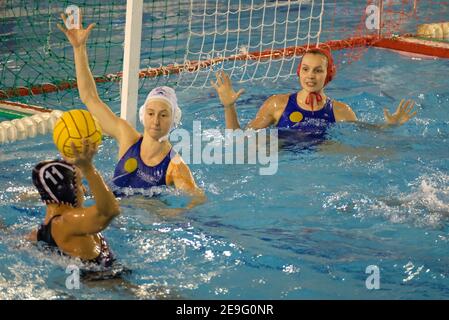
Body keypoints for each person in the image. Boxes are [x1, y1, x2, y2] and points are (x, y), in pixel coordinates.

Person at [57, 12, 205, 209]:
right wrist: (78, 48)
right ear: (143, 115)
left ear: (174, 119)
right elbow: (89, 98)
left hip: (135, 218)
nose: (156, 121)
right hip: (106, 202)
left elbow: (198, 200)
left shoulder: (175, 167)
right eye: (151, 113)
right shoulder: (127, 137)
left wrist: (166, 215)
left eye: (163, 115)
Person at [211, 47, 417, 132]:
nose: (310, 76)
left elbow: (367, 133)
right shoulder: (277, 104)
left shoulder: (341, 111)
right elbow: (238, 140)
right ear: (299, 72)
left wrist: (389, 126)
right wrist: (229, 106)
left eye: (318, 70)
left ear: (328, 75)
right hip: (283, 159)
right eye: (306, 69)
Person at [27, 140, 121, 273]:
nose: (83, 188)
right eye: (79, 184)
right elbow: (110, 211)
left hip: (88, 285)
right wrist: (88, 169)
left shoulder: (38, 234)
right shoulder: (67, 221)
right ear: (69, 190)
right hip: (106, 288)